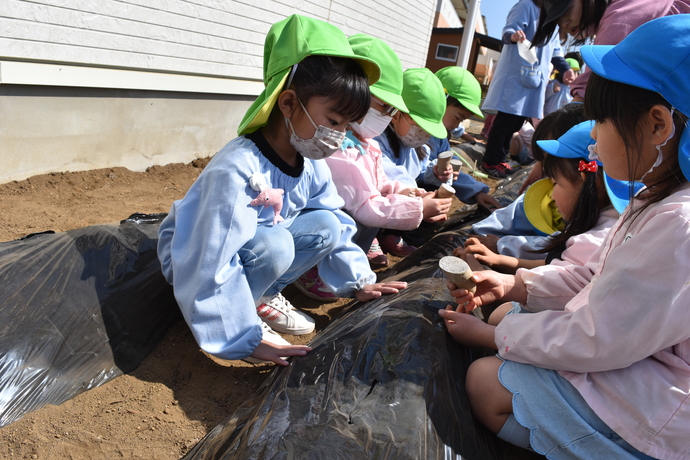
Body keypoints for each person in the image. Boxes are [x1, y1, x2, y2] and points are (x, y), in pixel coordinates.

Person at [440, 16, 690, 458]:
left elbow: (599, 338)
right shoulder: (655, 199)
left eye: (601, 121)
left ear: (657, 125)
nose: (593, 136)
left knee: (484, 382)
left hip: (664, 403)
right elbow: (591, 280)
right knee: (507, 336)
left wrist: (493, 337)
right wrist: (513, 285)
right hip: (641, 360)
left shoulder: (678, 224)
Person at [157, 15, 407, 366]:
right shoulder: (239, 169)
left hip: (250, 253)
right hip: (195, 261)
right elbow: (207, 257)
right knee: (276, 244)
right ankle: (232, 317)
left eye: (348, 125)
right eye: (334, 122)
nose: (339, 135)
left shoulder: (309, 162)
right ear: (288, 103)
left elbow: (333, 217)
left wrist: (359, 281)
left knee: (328, 224)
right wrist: (243, 340)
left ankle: (259, 297)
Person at [323, 34, 451, 271]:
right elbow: (367, 206)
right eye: (385, 106)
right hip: (341, 231)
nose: (388, 115)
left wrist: (407, 191)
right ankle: (320, 268)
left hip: (362, 225)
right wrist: (419, 208)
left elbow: (381, 180)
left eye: (392, 109)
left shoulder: (365, 141)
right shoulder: (339, 147)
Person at [470, 102, 587, 261]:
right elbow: (510, 216)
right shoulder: (544, 196)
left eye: (551, 158)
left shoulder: (598, 223)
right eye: (544, 158)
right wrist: (479, 234)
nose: (548, 170)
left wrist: (502, 245)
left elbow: (562, 249)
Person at [480, 0, 576, 178]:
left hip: (534, 80)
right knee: (505, 121)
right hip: (515, 77)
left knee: (517, 122)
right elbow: (509, 30)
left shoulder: (552, 20)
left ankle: (500, 159)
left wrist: (566, 70)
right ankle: (491, 161)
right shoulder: (526, 6)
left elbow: (556, 51)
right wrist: (514, 36)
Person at [531, 0, 690, 102]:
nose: (564, 23)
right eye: (557, 21)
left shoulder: (619, 16)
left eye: (566, 10)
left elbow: (597, 80)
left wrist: (572, 112)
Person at [372, 67, 450, 257]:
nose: (423, 134)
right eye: (418, 127)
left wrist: (436, 173)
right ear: (396, 114)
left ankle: (389, 234)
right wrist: (417, 196)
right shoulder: (376, 137)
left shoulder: (416, 148)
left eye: (427, 130)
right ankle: (369, 236)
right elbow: (386, 171)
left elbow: (421, 170)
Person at [420, 66, 502, 211]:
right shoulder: (414, 133)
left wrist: (476, 192)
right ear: (439, 99)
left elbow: (449, 169)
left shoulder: (440, 138)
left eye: (461, 121)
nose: (456, 125)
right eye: (457, 118)